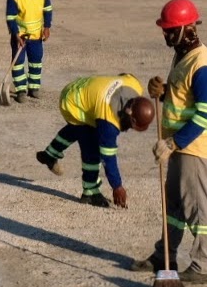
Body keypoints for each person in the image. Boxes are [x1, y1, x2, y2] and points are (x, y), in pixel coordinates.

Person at [132, 0, 207, 284]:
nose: (166, 35)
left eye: (171, 30)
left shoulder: (204, 65)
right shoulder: (183, 55)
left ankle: (204, 266)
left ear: (188, 28)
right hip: (178, 146)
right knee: (173, 206)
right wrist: (161, 90)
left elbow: (205, 112)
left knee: (197, 207)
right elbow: (181, 96)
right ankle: (165, 255)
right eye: (165, 30)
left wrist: (174, 143)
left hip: (193, 147)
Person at [35, 74, 158, 207]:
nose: (130, 129)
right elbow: (108, 157)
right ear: (130, 116)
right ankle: (90, 192)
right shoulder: (108, 122)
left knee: (78, 130)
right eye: (132, 126)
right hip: (72, 102)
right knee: (90, 145)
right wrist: (117, 186)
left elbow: (124, 76)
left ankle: (49, 155)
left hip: (82, 87)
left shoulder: (135, 85)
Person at [5, 0, 52, 102]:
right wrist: (15, 34)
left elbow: (47, 9)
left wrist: (47, 27)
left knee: (36, 62)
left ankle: (34, 88)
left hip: (36, 36)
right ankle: (20, 90)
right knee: (18, 63)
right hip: (20, 37)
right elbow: (10, 17)